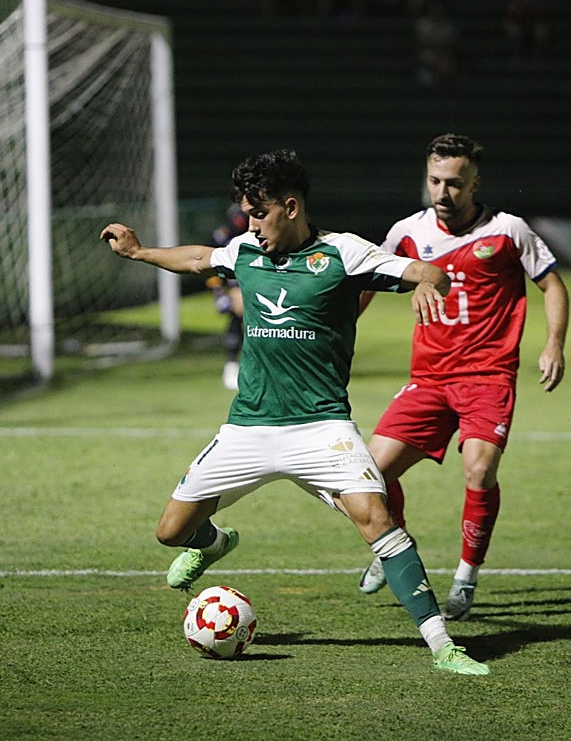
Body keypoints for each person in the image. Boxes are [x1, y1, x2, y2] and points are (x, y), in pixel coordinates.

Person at [101, 148, 490, 675]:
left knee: (377, 519)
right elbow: (197, 259)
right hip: (248, 427)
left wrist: (425, 283)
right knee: (170, 532)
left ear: (290, 207)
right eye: (246, 214)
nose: (250, 225)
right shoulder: (245, 250)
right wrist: (139, 252)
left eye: (258, 213)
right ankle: (213, 544)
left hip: (322, 428)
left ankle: (443, 645)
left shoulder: (344, 254)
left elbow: (430, 271)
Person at [354, 134, 569, 622]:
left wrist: (554, 343)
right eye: (434, 181)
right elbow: (367, 282)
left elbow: (552, 284)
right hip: (429, 378)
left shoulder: (508, 230)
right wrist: (339, 335)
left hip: (488, 376)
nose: (442, 192)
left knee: (479, 469)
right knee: (371, 473)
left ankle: (466, 576)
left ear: (475, 183)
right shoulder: (407, 232)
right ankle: (392, 544)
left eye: (454, 183)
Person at [207, 204, 248, 389]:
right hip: (234, 282)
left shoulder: (260, 236)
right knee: (237, 317)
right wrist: (218, 293)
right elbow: (210, 267)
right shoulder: (222, 237)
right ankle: (231, 366)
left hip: (258, 280)